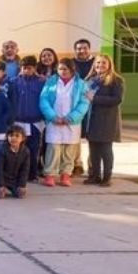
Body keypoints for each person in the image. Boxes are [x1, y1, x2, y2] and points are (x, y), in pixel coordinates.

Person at [39, 58, 90, 187]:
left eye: (65, 69)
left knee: (69, 149)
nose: (62, 71)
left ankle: (65, 175)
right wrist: (52, 116)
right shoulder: (51, 82)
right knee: (53, 148)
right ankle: (50, 175)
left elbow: (84, 103)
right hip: (54, 121)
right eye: (60, 69)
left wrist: (71, 118)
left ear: (72, 69)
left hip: (72, 123)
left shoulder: (81, 84)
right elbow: (43, 100)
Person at [84, 54, 124, 187]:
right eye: (98, 63)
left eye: (103, 63)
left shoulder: (116, 80)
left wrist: (95, 99)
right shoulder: (90, 80)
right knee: (93, 150)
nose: (100, 65)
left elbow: (117, 99)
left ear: (109, 65)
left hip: (107, 121)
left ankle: (107, 177)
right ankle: (94, 175)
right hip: (92, 120)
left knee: (105, 150)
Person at [8, 55, 45, 182]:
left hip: (35, 122)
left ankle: (32, 174)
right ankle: (17, 174)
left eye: (29, 68)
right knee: (17, 149)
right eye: (24, 68)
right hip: (18, 121)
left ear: (35, 68)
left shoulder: (41, 82)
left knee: (34, 150)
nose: (26, 70)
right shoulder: (13, 82)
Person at [72, 38, 95, 177]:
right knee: (75, 136)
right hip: (75, 105)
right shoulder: (71, 63)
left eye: (84, 48)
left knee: (92, 137)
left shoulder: (96, 64)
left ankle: (92, 165)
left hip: (93, 106)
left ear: (89, 49)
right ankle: (76, 164)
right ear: (75, 50)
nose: (82, 51)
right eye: (79, 48)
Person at [0, 125, 30, 199]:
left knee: (21, 194)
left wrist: (22, 185)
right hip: (1, 178)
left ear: (23, 138)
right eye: (11, 135)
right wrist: (0, 185)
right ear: (7, 137)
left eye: (17, 136)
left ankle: (9, 188)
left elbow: (25, 170)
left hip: (14, 180)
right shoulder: (1, 150)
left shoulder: (25, 152)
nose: (13, 138)